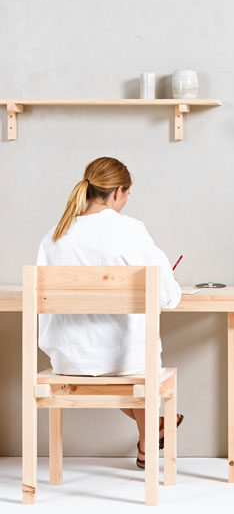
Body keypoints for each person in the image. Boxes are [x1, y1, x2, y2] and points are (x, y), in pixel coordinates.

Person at [37, 156, 183, 468]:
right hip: (125, 363)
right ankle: (148, 443)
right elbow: (168, 297)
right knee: (142, 364)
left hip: (68, 359)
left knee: (129, 361)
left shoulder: (54, 234)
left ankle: (148, 439)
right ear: (117, 192)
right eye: (127, 195)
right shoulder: (130, 229)